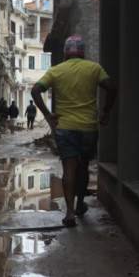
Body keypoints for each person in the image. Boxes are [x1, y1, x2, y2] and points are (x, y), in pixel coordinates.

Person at [30, 34, 116, 227]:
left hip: (65, 127)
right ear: (83, 53)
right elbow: (111, 88)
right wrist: (106, 112)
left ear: (65, 54)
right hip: (88, 127)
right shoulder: (94, 68)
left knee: (69, 167)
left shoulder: (56, 71)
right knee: (83, 167)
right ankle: (79, 205)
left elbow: (35, 90)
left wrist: (47, 114)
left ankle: (69, 214)